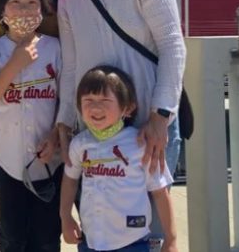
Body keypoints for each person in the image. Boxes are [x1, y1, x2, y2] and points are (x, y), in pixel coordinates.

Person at [55, 0, 186, 178]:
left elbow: (172, 45)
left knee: (151, 217)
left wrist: (160, 117)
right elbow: (70, 66)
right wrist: (64, 123)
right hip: (95, 127)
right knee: (100, 215)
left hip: (147, 124)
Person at [0, 0, 63, 252]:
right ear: (2, 10)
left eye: (32, 3)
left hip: (49, 163)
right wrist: (15, 64)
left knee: (47, 239)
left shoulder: (55, 48)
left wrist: (56, 135)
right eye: (15, 3)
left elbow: (67, 99)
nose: (23, 10)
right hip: (7, 162)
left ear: (43, 9)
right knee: (13, 240)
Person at [60, 65, 178, 252]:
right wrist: (65, 218)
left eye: (105, 100)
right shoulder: (79, 144)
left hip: (133, 243)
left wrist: (171, 240)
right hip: (90, 242)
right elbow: (70, 180)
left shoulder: (141, 145)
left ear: (128, 108)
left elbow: (160, 192)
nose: (95, 107)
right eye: (88, 100)